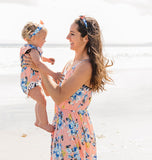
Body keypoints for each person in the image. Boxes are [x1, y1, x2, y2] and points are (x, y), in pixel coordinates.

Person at [25, 16, 113, 159]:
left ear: (86, 38)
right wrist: (36, 68)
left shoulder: (86, 66)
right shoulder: (70, 63)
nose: (67, 37)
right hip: (61, 125)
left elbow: (59, 97)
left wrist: (41, 67)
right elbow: (50, 92)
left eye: (72, 34)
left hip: (74, 130)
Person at [20, 20, 63, 133]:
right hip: (30, 82)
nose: (45, 40)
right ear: (33, 38)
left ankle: (38, 121)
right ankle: (43, 123)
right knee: (42, 100)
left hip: (30, 81)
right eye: (43, 38)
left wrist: (47, 60)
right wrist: (53, 74)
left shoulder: (32, 49)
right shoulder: (32, 50)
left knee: (40, 100)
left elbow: (39, 59)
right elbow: (38, 63)